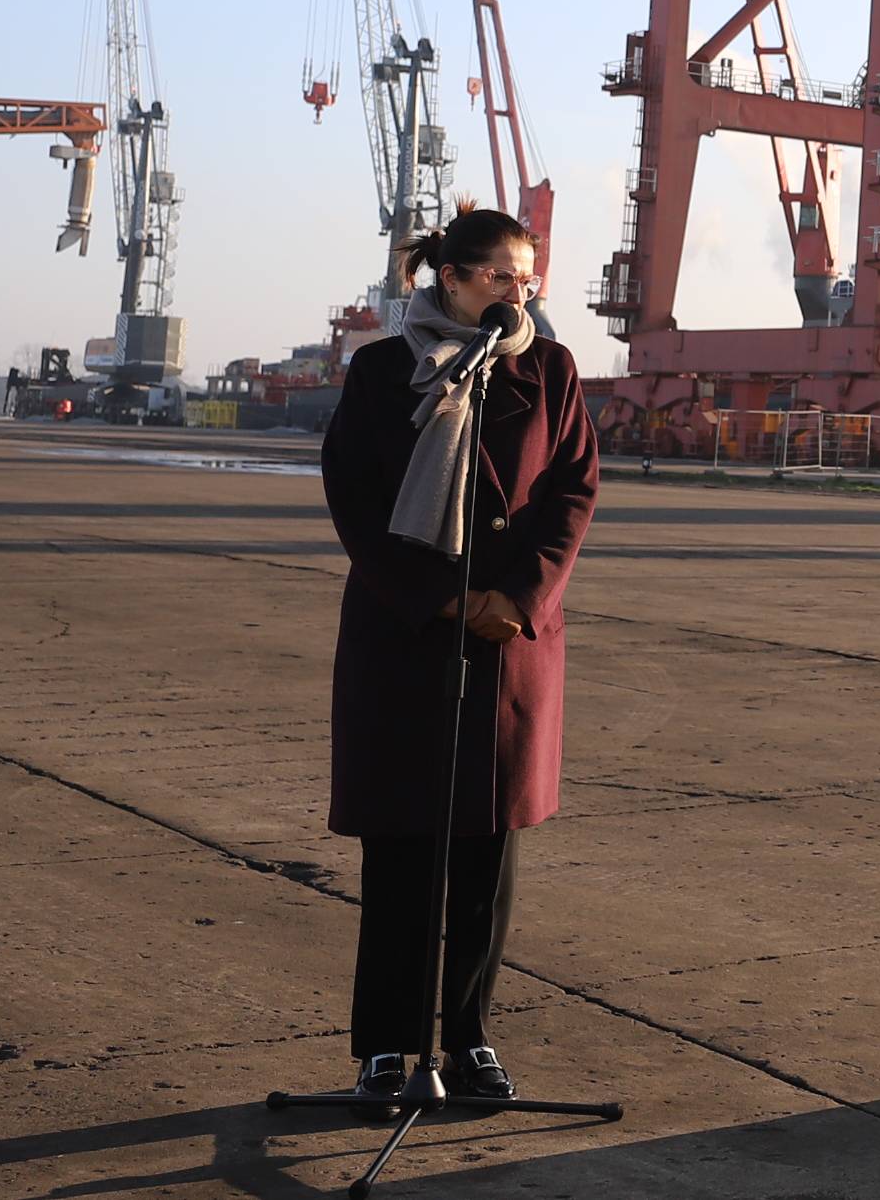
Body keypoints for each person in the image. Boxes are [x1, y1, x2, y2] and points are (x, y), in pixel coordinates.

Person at [317, 207, 599, 1113]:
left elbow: (573, 490)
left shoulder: (550, 369)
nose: (521, 291)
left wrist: (516, 599)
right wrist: (438, 596)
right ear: (452, 279)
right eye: (502, 276)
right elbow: (354, 495)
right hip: (404, 632)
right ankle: (385, 1046)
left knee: (486, 851)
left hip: (508, 639)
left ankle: (470, 1037)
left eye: (528, 276)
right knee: (399, 851)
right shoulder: (381, 369)